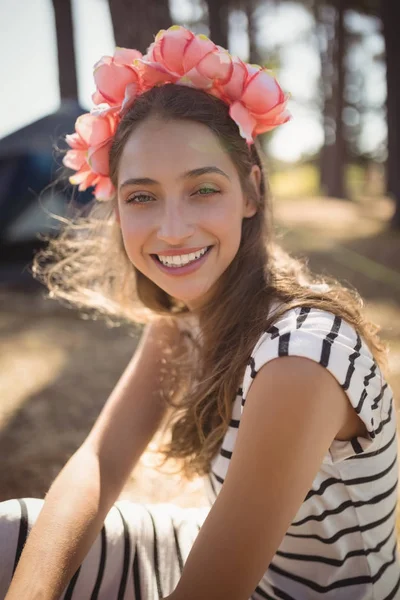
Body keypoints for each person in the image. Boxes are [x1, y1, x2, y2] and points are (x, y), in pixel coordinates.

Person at [0, 24, 399, 600]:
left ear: (251, 191)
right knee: (13, 532)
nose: (172, 229)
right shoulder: (186, 316)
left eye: (203, 189)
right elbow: (99, 461)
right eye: (142, 196)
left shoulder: (300, 359)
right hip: (203, 550)